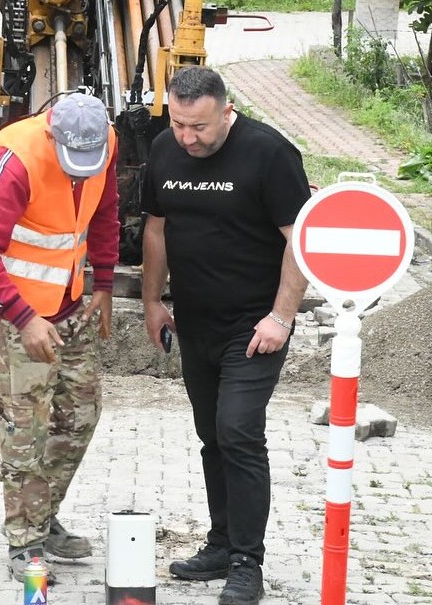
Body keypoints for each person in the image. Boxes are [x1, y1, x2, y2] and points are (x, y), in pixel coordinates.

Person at [140, 66, 311, 605]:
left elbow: (299, 240)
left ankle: (246, 561)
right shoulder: (166, 149)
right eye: (179, 123)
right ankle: (219, 543)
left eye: (200, 127)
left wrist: (281, 316)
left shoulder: (269, 153)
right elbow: (157, 228)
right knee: (212, 434)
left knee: (238, 432)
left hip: (254, 326)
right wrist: (152, 301)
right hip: (195, 321)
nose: (188, 138)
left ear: (226, 109)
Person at [0, 92, 120, 583]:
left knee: (80, 413)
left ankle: (42, 518)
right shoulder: (13, 159)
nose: (79, 173)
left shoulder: (105, 143)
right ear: (52, 133)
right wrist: (23, 318)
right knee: (24, 429)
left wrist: (106, 283)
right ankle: (25, 541)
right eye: (72, 163)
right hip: (13, 312)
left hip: (68, 304)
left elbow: (105, 212)